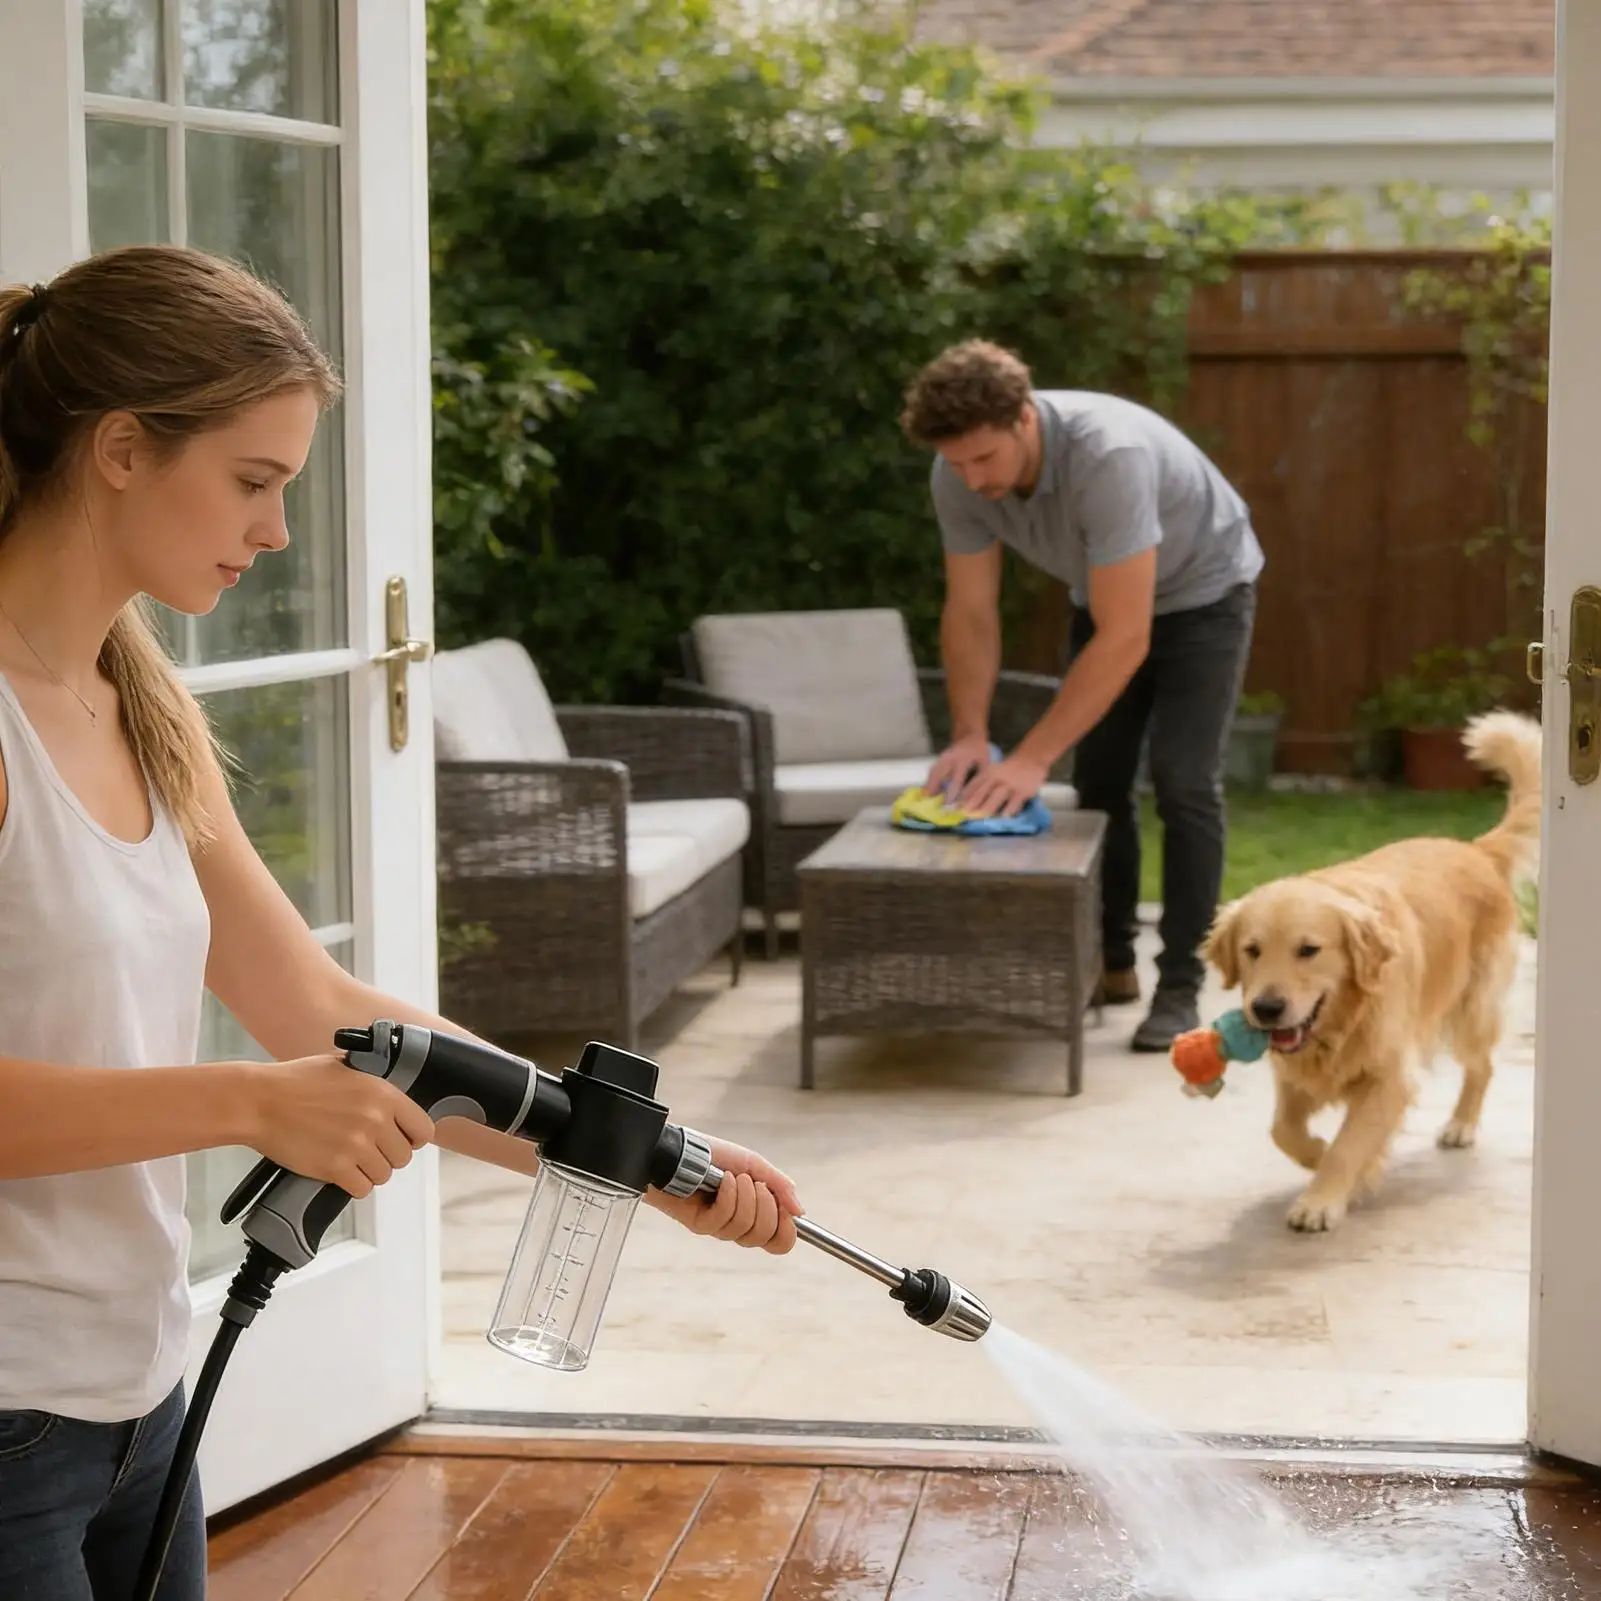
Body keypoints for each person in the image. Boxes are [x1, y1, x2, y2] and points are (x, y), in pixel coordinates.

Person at [0, 245, 804, 1600]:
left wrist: (636, 1157)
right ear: (123, 447)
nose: (275, 533)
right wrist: (254, 1106)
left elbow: (325, 1013)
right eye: (254, 481)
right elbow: (279, 1073)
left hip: (137, 1405)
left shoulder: (138, 708)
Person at [900, 339, 1263, 1053]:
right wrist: (970, 734)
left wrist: (1031, 759)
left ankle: (1181, 982)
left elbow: (1125, 636)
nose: (971, 479)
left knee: (1183, 781)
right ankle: (1110, 959)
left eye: (983, 459)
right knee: (1099, 779)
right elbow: (971, 612)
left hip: (1205, 592)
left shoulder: (1107, 456)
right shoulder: (957, 476)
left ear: (1024, 419)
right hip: (1108, 600)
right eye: (956, 462)